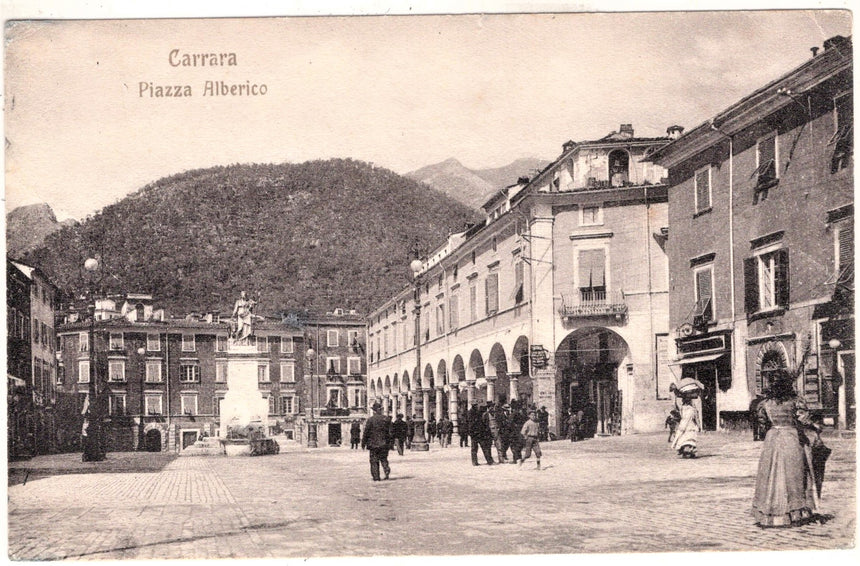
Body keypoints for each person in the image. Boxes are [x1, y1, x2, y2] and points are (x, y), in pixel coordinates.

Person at [752, 370, 820, 527]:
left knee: (770, 475)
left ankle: (771, 513)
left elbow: (762, 424)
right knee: (794, 475)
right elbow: (804, 420)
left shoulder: (765, 403)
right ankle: (795, 513)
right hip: (791, 437)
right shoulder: (796, 401)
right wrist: (814, 426)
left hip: (772, 438)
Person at [361, 403, 392, 481]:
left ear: (374, 411)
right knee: (384, 458)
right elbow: (391, 431)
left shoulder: (371, 420)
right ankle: (386, 468)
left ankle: (376, 477)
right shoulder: (386, 419)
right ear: (381, 410)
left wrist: (363, 443)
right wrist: (390, 442)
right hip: (384, 443)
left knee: (374, 460)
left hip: (373, 444)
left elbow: (366, 432)